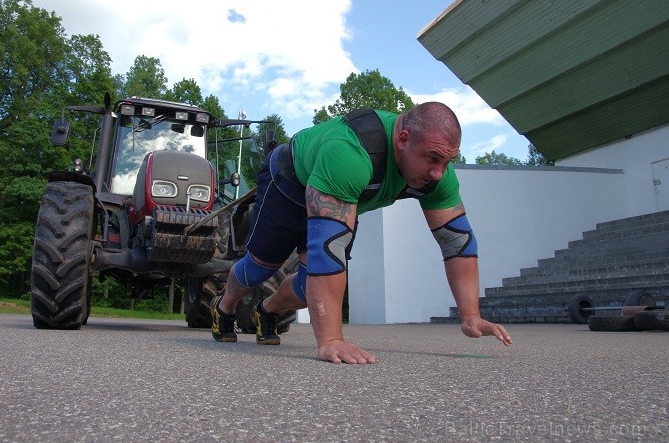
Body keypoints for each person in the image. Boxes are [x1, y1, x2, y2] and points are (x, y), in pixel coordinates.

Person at [210, 102, 513, 364]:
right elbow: (327, 248)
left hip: (334, 191)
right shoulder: (352, 152)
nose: (439, 173)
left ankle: (267, 310)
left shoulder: (437, 172)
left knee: (307, 284)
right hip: (289, 182)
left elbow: (456, 241)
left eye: (447, 161)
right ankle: (224, 306)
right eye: (433, 159)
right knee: (262, 266)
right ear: (403, 140)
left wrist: (470, 314)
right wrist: (330, 340)